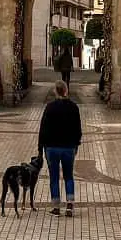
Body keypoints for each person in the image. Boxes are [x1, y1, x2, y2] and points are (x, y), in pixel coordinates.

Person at [38, 79, 82, 217]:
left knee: (54, 177)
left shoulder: (49, 107)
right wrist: (76, 144)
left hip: (51, 147)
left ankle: (56, 207)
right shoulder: (74, 107)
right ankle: (69, 205)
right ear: (66, 91)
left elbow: (43, 129)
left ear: (55, 92)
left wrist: (40, 148)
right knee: (69, 176)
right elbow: (78, 128)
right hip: (68, 147)